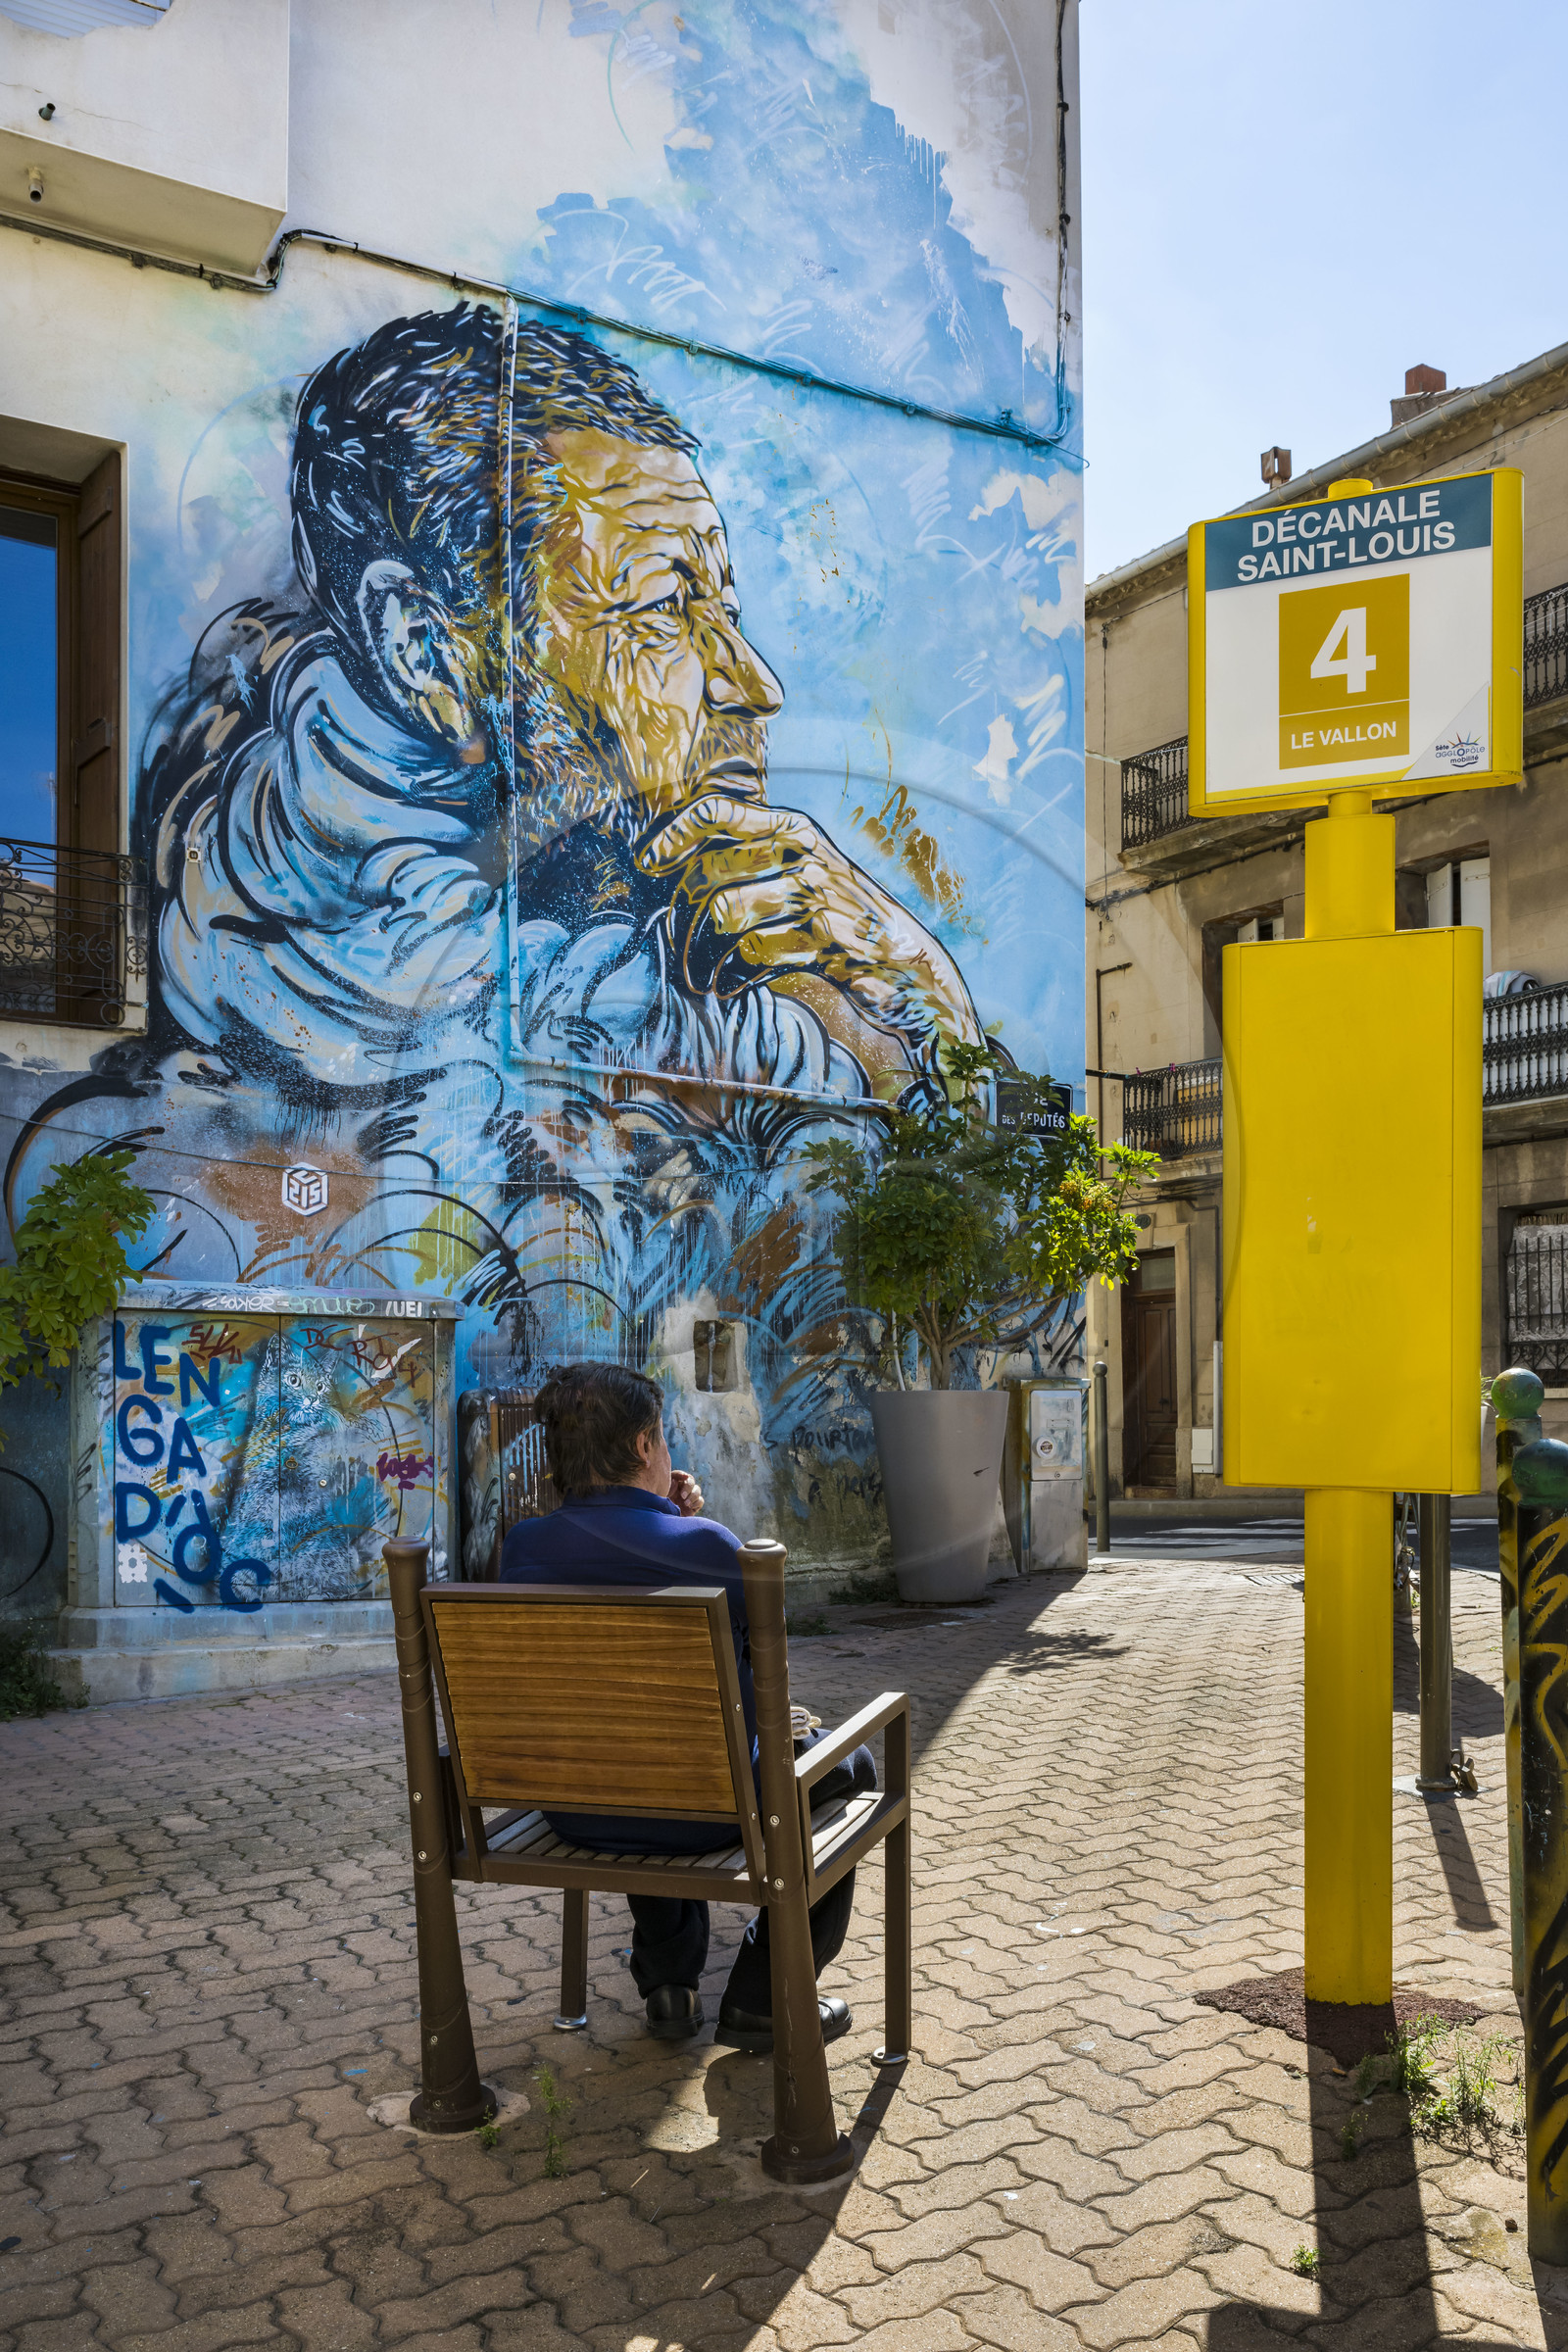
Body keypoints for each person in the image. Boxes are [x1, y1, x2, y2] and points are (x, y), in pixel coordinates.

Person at [499, 1358, 876, 2048]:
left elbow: (607, 1557)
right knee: (854, 1764)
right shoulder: (709, 1548)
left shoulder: (521, 1551)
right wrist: (682, 1525)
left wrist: (663, 1515)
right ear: (644, 1446)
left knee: (633, 1740)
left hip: (575, 1805)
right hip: (705, 1811)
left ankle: (669, 1983)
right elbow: (769, 1692)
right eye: (663, 1437)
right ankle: (764, 1996)